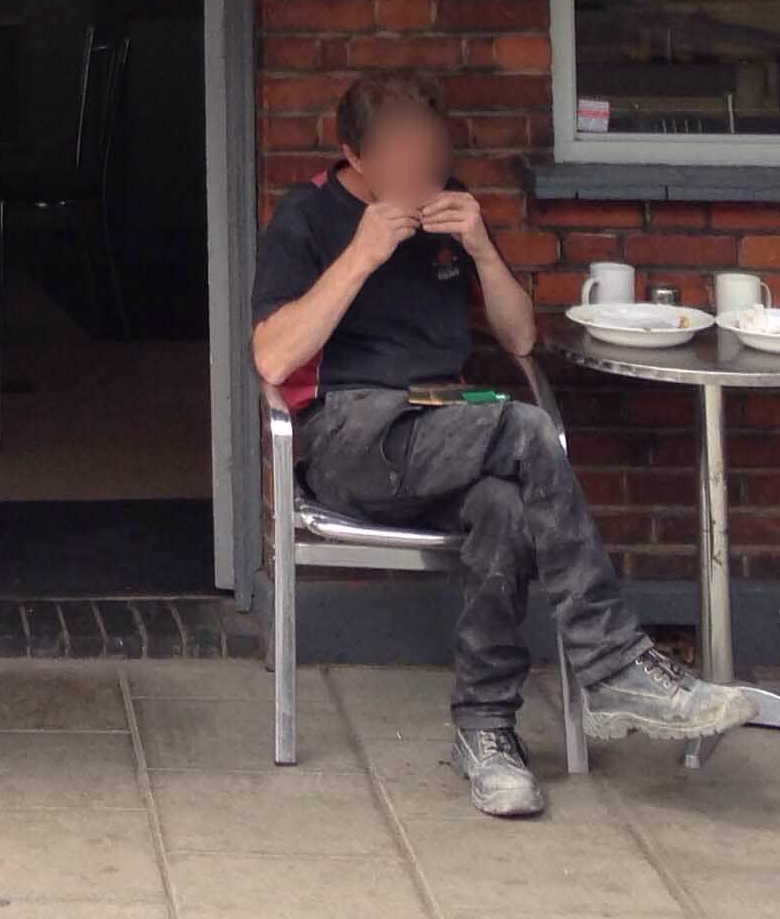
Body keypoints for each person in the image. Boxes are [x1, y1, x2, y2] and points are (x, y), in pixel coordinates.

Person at [250, 70, 752, 819]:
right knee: (525, 429)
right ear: (354, 155)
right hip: (347, 436)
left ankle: (485, 731)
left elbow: (520, 341)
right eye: (402, 158)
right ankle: (613, 664)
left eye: (431, 156)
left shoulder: (453, 212)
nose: (422, 173)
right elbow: (271, 357)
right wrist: (361, 255)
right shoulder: (309, 215)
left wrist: (482, 249)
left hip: (444, 429)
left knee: (505, 505)